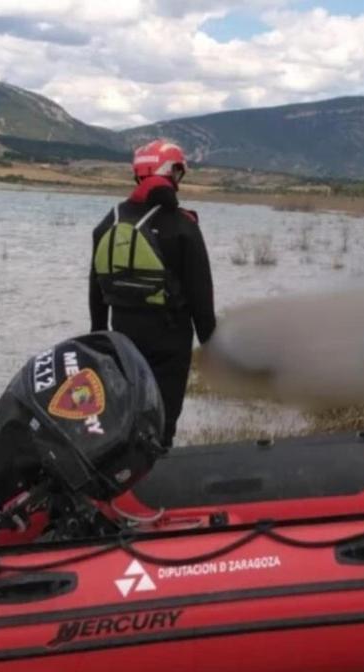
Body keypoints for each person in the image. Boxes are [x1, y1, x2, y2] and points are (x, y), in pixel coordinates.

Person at [90, 140, 215, 447]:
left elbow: (96, 285)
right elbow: (201, 296)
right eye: (179, 172)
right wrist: (211, 346)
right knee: (163, 420)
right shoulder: (182, 226)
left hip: (122, 339)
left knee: (127, 415)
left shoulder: (111, 219)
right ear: (170, 172)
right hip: (170, 340)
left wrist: (98, 332)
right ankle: (157, 479)